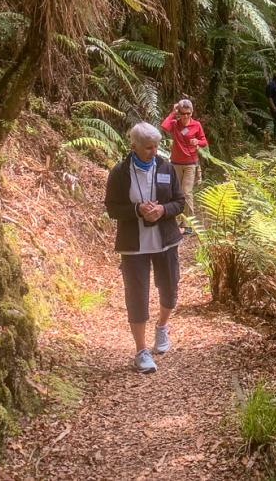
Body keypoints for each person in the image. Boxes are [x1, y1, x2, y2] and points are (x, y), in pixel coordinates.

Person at [104, 123, 185, 373]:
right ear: (134, 146)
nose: (154, 151)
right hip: (133, 245)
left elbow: (179, 202)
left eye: (156, 146)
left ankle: (162, 327)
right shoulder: (120, 173)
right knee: (137, 295)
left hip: (165, 241)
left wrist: (162, 210)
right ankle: (141, 351)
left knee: (170, 287)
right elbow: (112, 208)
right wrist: (138, 210)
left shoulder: (165, 167)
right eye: (148, 148)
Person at [161, 99, 207, 235]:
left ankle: (188, 224)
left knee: (186, 193)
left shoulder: (196, 125)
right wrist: (173, 113)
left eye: (188, 113)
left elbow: (204, 141)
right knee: (176, 192)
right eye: (183, 113)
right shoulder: (175, 124)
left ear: (191, 112)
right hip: (175, 163)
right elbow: (164, 127)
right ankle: (175, 220)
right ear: (179, 113)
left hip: (190, 163)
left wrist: (197, 141)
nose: (186, 116)